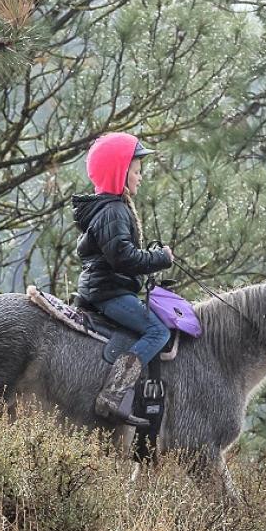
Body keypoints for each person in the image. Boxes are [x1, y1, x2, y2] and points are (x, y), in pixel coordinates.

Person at [71, 132, 174, 427]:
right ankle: (114, 393)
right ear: (120, 172)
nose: (140, 177)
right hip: (109, 293)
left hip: (107, 288)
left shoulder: (111, 207)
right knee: (158, 332)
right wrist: (160, 258)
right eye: (137, 171)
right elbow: (123, 258)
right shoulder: (114, 210)